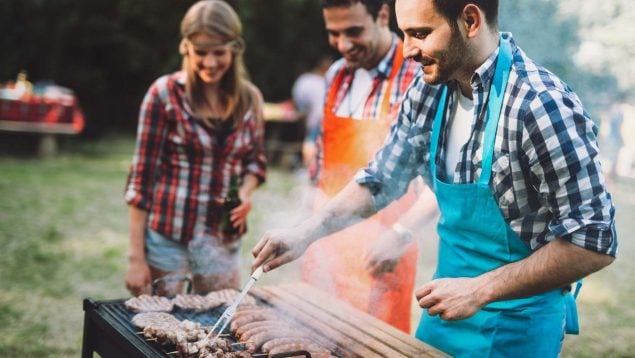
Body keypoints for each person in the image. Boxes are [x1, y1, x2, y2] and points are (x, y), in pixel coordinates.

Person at [253, 0, 617, 356]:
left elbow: (593, 241)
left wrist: (479, 290)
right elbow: (382, 178)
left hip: (517, 324)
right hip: (444, 311)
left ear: (470, 21)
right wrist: (306, 232)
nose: (408, 49)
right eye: (404, 33)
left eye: (420, 33)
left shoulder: (540, 105)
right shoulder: (429, 89)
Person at [299, 0, 436, 333]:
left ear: (383, 16)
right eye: (334, 34)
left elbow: (440, 181)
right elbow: (321, 162)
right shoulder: (335, 75)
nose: (344, 45)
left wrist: (401, 233)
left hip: (383, 251)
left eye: (354, 31)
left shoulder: (418, 75)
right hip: (326, 249)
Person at [124, 0, 266, 297]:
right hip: (168, 241)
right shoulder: (162, 95)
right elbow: (141, 181)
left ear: (235, 48)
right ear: (185, 47)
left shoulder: (250, 99)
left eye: (219, 52)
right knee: (162, 331)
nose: (210, 62)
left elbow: (256, 163)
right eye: (201, 52)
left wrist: (245, 194)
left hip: (222, 243)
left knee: (218, 329)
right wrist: (136, 259)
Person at [291, 55, 333, 171]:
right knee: (313, 143)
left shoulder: (305, 79)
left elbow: (299, 100)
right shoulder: (324, 82)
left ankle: (309, 168)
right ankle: (309, 168)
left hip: (316, 118)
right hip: (323, 117)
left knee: (311, 142)